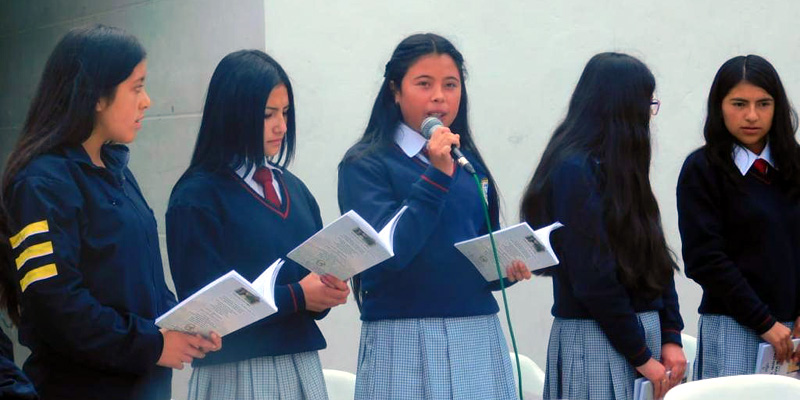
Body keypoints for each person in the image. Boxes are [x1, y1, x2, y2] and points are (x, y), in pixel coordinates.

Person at [0, 25, 220, 400]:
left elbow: (144, 279)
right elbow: (56, 305)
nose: (147, 101)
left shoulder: (116, 170)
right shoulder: (40, 183)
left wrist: (184, 323)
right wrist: (152, 343)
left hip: (145, 385)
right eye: (136, 87)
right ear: (96, 96)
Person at [338, 33, 531, 399]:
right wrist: (436, 176)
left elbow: (474, 247)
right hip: (402, 334)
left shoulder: (467, 162)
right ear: (395, 90)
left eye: (450, 85)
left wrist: (505, 269)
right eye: (424, 84)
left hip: (476, 330)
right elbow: (386, 254)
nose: (439, 97)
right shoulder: (365, 164)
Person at [166, 49, 350, 400]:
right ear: (232, 115)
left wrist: (326, 292)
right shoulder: (197, 197)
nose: (281, 125)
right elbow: (204, 309)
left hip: (302, 363)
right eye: (268, 114)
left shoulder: (294, 189)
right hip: (236, 372)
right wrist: (298, 296)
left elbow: (311, 287)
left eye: (285, 112)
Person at [520, 52, 685, 400]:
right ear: (622, 108)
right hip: (596, 337)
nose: (648, 116)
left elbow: (655, 254)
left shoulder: (623, 167)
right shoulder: (574, 170)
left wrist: (671, 334)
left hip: (638, 337)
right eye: (646, 104)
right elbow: (593, 278)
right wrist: (641, 355)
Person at [677, 55, 800, 379]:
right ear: (719, 106)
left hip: (794, 332)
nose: (751, 115)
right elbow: (705, 258)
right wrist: (764, 323)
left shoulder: (795, 165)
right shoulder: (702, 170)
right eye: (739, 103)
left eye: (763, 104)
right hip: (735, 326)